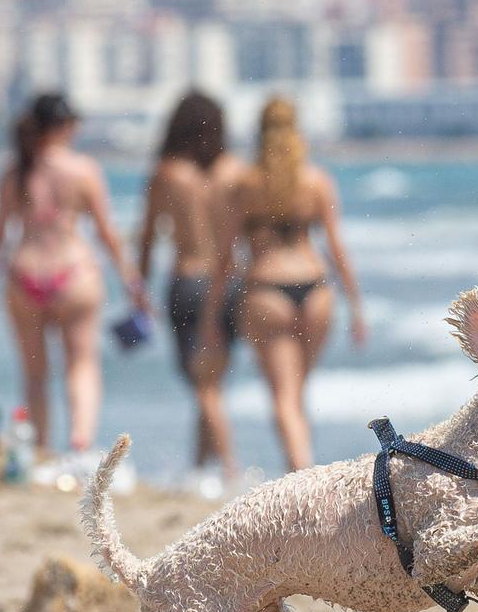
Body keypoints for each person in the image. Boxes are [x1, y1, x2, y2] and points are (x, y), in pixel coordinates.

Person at [0, 93, 144, 471]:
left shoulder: (15, 171)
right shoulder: (83, 170)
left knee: (35, 374)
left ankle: (41, 452)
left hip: (25, 276)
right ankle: (79, 445)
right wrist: (132, 282)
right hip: (74, 274)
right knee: (81, 364)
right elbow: (107, 233)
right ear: (67, 126)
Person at [213, 96, 366, 471]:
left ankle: (300, 475)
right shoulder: (315, 181)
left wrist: (211, 311)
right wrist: (356, 307)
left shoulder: (245, 184)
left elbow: (225, 255)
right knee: (296, 394)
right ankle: (302, 471)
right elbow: (336, 249)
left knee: (284, 397)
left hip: (267, 291)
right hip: (315, 290)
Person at [136, 90, 245, 491]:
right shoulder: (235, 172)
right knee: (212, 379)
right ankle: (200, 469)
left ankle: (231, 469)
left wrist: (139, 288)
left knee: (203, 384)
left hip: (188, 280)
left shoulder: (167, 174)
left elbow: (148, 237)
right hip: (232, 282)